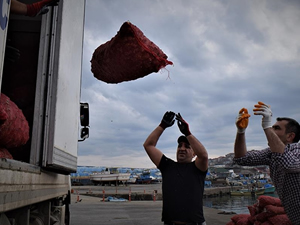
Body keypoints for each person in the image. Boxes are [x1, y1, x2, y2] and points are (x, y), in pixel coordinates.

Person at [234, 101, 300, 224]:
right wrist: (241, 131)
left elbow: (288, 164)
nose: (271, 131)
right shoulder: (271, 153)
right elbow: (242, 158)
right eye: (272, 127)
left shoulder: (298, 150)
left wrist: (266, 125)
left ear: (290, 136)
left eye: (276, 128)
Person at [143, 111, 208, 225]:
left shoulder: (198, 168)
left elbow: (203, 155)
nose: (182, 149)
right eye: (179, 146)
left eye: (187, 147)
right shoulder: (167, 166)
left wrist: (188, 133)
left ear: (194, 154)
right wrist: (162, 126)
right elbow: (148, 145)